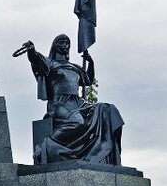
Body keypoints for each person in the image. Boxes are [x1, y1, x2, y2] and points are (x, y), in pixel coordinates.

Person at [22, 34, 124, 165]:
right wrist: (31, 51)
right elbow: (37, 59)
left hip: (77, 103)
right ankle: (47, 145)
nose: (65, 45)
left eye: (67, 43)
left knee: (107, 109)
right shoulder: (50, 63)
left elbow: (87, 80)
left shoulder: (74, 67)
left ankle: (100, 153)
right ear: (55, 45)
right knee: (79, 122)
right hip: (60, 104)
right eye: (62, 42)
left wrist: (91, 63)